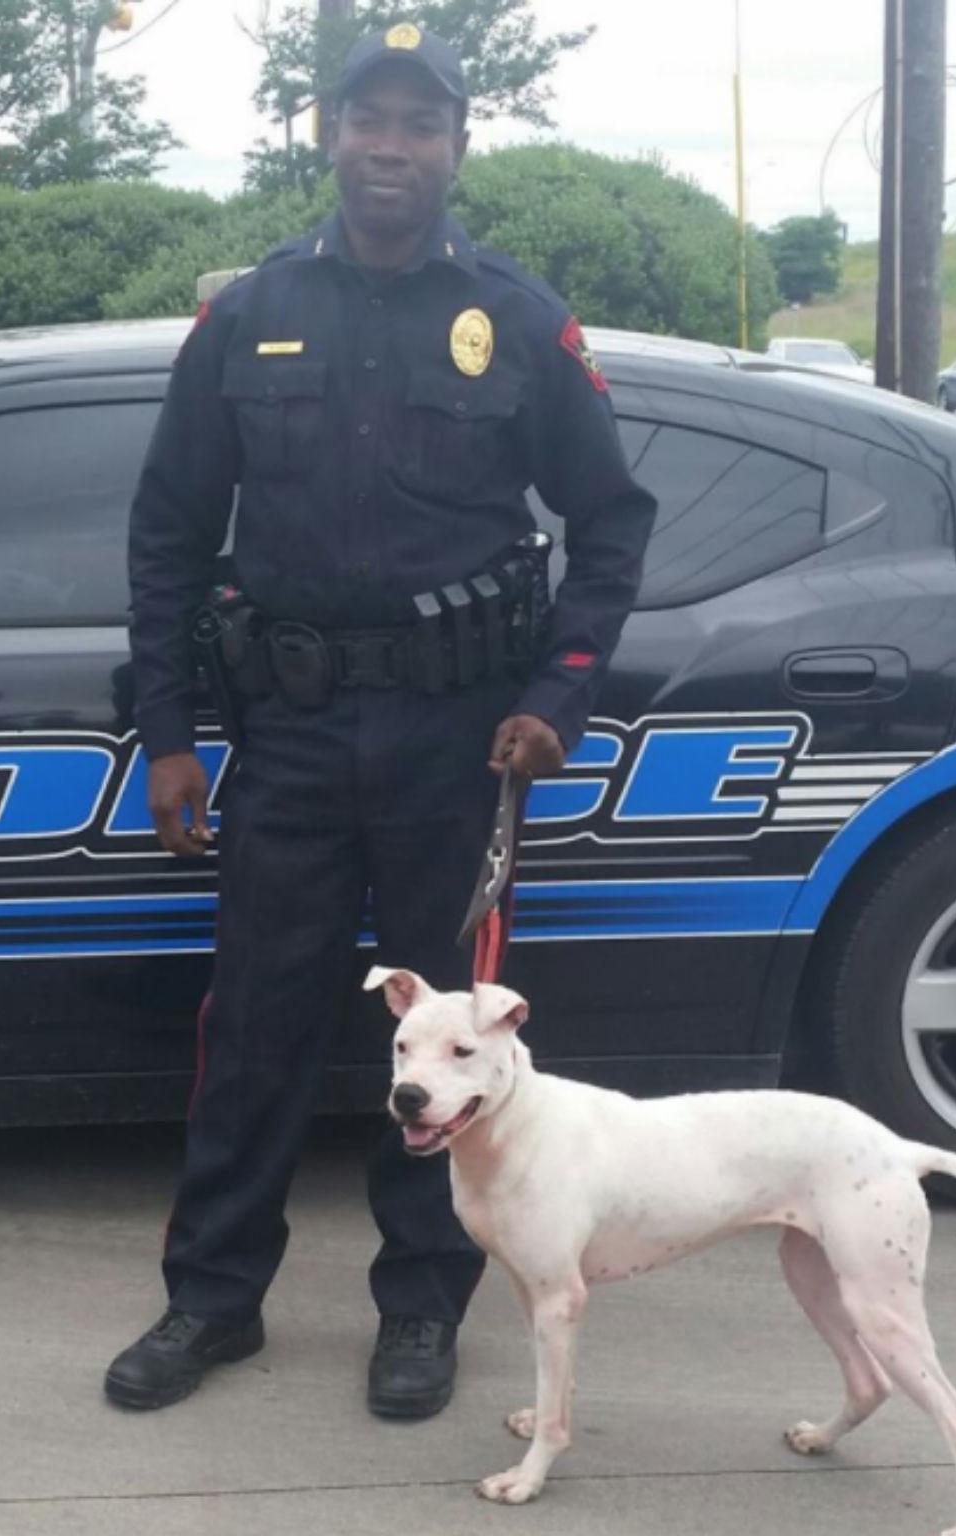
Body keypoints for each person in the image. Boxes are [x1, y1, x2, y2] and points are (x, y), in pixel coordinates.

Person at [107, 22, 657, 1421]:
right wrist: (169, 732)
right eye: (372, 121)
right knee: (257, 1033)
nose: (393, 146)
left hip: (454, 741)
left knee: (450, 1057)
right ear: (330, 136)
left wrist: (557, 696)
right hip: (284, 736)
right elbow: (170, 530)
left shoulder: (518, 321)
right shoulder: (250, 313)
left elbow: (611, 522)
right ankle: (212, 1304)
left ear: (458, 147)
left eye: (422, 124)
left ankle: (420, 1312)